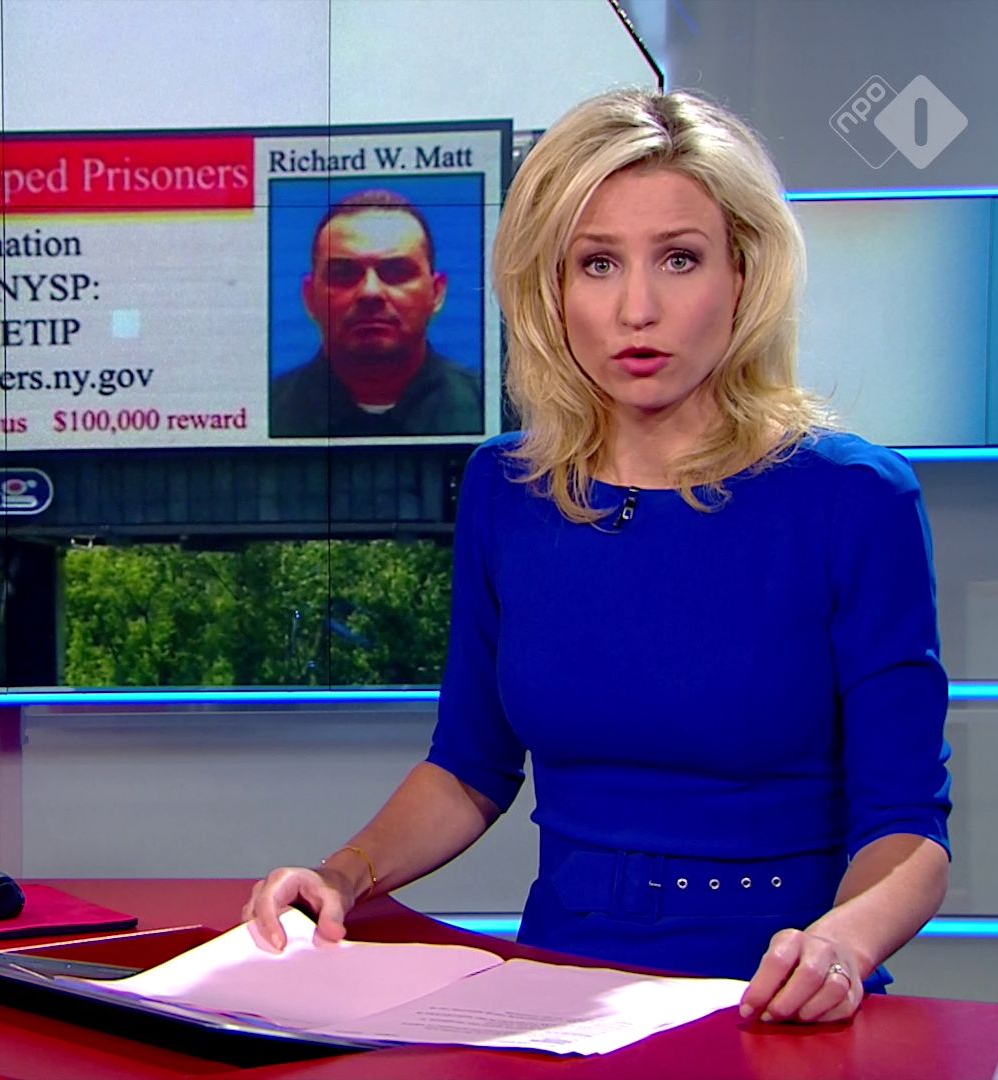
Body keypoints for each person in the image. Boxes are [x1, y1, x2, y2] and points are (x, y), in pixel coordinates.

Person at [245, 89, 952, 1027]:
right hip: (556, 991)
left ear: (743, 274)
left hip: (772, 1000)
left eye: (679, 259)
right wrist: (342, 874)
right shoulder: (509, 489)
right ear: (552, 288)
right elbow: (468, 768)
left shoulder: (854, 498)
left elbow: (908, 831)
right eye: (598, 263)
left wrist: (841, 945)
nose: (637, 309)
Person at [268, 190, 483, 437]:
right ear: (309, 297)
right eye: (343, 274)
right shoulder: (266, 414)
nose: (370, 292)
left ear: (436, 293)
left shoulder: (492, 409)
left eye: (396, 272)